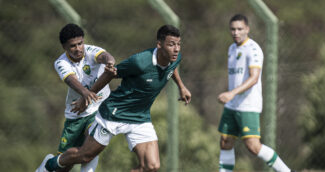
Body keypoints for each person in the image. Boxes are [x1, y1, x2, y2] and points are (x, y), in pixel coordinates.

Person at [37, 24, 191, 172]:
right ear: (159, 45)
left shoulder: (175, 57)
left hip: (140, 117)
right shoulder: (139, 62)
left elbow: (172, 66)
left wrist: (181, 86)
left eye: (178, 44)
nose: (176, 49)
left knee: (152, 166)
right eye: (171, 44)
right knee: (85, 156)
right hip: (113, 113)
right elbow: (111, 73)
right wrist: (87, 95)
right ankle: (51, 163)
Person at [217, 14, 295, 172]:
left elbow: (254, 78)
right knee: (225, 141)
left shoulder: (253, 49)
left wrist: (232, 93)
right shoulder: (232, 48)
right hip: (232, 105)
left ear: (247, 29)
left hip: (248, 105)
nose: (236, 32)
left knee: (253, 146)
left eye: (240, 29)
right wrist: (231, 96)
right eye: (233, 29)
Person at [36, 23, 116, 172]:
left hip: (99, 109)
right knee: (65, 166)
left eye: (80, 43)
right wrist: (85, 93)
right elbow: (69, 79)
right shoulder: (61, 62)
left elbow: (105, 55)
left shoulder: (91, 51)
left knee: (92, 145)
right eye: (73, 46)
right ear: (64, 47)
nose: (78, 48)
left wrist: (110, 62)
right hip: (77, 114)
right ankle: (48, 164)